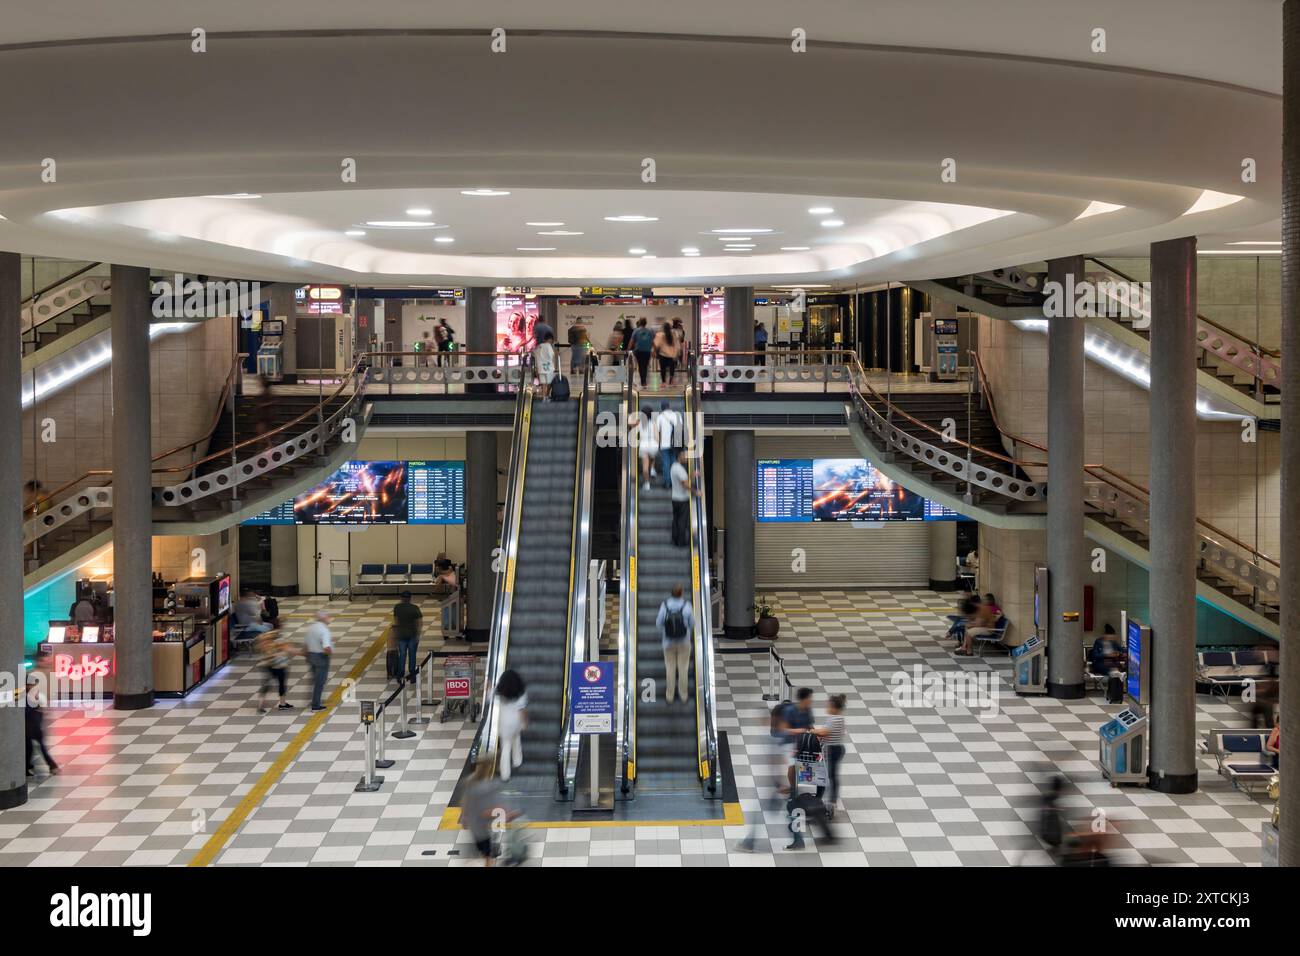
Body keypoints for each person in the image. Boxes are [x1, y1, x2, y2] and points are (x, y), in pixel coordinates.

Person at [462, 760, 521, 866]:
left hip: (475, 827)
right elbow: (484, 812)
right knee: (488, 857)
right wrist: (505, 815)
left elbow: (465, 802)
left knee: (486, 854)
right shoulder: (482, 788)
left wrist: (464, 817)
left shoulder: (471, 783)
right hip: (481, 830)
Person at [656, 584, 694, 704]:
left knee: (670, 668)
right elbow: (692, 623)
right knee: (683, 668)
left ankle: (670, 696)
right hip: (684, 643)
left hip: (668, 643)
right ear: (681, 593)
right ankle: (683, 695)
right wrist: (686, 631)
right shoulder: (687, 605)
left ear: (671, 593)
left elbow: (659, 623)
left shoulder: (665, 605)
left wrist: (666, 632)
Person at [812, 694, 846, 817]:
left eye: (828, 705)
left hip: (832, 750)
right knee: (829, 775)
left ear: (834, 707)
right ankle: (825, 799)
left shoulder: (835, 718)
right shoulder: (836, 717)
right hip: (834, 749)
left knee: (830, 775)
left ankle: (830, 803)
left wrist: (813, 731)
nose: (827, 707)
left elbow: (824, 732)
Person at [255, 619, 296, 714]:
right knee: (281, 684)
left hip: (266, 664)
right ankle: (282, 703)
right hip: (279, 665)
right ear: (280, 626)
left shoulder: (263, 636)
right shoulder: (281, 638)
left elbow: (258, 647)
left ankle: (261, 705)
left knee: (266, 684)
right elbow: (288, 650)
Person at [495, 669, 528, 781]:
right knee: (516, 739)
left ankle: (505, 774)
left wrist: (488, 688)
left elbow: (490, 698)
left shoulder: (500, 692)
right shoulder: (521, 694)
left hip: (504, 722)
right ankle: (517, 761)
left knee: (506, 747)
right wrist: (524, 722)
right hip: (516, 722)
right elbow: (522, 711)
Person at [25, 679, 58, 777]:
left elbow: (40, 711)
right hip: (30, 727)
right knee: (30, 747)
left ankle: (52, 766)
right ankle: (28, 767)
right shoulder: (28, 695)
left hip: (32, 727)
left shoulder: (35, 696)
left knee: (35, 747)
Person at [302, 611, 333, 711]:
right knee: (319, 682)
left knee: (314, 680)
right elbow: (326, 647)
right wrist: (329, 654)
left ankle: (312, 700)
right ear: (323, 618)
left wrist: (307, 655)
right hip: (321, 657)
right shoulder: (324, 630)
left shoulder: (311, 628)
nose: (329, 618)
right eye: (328, 616)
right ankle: (316, 705)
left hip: (311, 656)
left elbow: (306, 645)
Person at [392, 590, 423, 682]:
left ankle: (400, 674)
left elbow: (396, 621)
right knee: (412, 655)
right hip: (412, 635)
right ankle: (412, 675)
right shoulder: (414, 608)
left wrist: (396, 634)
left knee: (402, 655)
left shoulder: (397, 607)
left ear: (401, 598)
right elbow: (419, 622)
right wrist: (418, 634)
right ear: (410, 598)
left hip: (401, 635)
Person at [669, 449, 696, 548]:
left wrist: (691, 475)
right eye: (684, 455)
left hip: (674, 498)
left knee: (675, 520)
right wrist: (695, 492)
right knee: (682, 522)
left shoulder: (674, 467)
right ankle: (681, 542)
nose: (686, 457)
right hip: (682, 500)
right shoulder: (680, 469)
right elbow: (685, 484)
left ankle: (674, 540)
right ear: (679, 456)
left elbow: (682, 479)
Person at [657, 400, 682, 489]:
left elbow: (658, 432)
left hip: (664, 444)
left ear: (662, 408)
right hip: (675, 443)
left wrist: (659, 443)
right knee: (674, 462)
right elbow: (680, 428)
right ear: (669, 406)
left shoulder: (660, 417)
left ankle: (667, 482)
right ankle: (675, 483)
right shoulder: (676, 415)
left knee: (666, 463)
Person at [637, 403, 660, 491]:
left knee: (645, 466)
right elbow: (657, 437)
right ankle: (653, 468)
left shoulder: (640, 423)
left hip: (644, 445)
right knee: (653, 455)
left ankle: (647, 484)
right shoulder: (653, 423)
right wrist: (658, 445)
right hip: (653, 443)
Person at [628, 317, 655, 387]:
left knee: (640, 365)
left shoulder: (636, 331)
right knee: (645, 366)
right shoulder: (649, 331)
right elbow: (653, 341)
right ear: (646, 323)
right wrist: (654, 350)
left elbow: (632, 341)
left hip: (638, 351)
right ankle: (644, 381)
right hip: (647, 351)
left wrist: (628, 349)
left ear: (639, 323)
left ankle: (642, 380)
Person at [532, 328, 557, 399]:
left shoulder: (539, 346)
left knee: (543, 384)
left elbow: (534, 354)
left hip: (540, 368)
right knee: (549, 383)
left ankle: (543, 397)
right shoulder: (548, 346)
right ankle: (547, 396)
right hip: (549, 368)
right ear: (551, 339)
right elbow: (552, 356)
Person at [654, 321, 678, 386]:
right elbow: (676, 345)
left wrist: (654, 351)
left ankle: (663, 382)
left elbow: (656, 344)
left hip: (663, 354)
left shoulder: (660, 334)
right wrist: (675, 354)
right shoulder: (673, 334)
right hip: (671, 355)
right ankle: (671, 380)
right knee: (672, 368)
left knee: (663, 369)